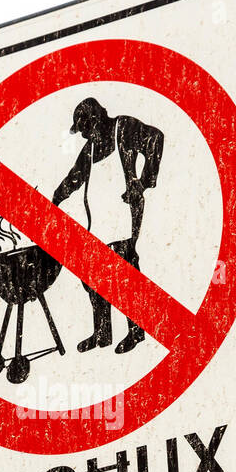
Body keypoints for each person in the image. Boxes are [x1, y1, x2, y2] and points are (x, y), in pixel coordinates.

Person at [51, 97, 164, 354]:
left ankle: (136, 331)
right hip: (99, 221)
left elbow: (155, 138)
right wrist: (55, 199)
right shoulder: (90, 148)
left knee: (124, 274)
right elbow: (75, 177)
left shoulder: (122, 128)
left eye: (85, 130)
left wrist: (143, 182)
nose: (83, 136)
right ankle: (102, 333)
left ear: (97, 121)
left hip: (123, 217)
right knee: (91, 276)